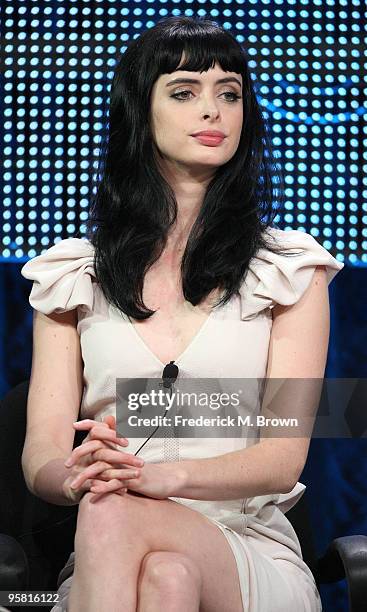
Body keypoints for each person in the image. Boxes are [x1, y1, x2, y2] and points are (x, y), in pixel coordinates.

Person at [20, 15, 344, 612]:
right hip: (110, 554)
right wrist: (73, 475)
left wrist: (155, 481)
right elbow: (40, 455)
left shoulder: (290, 270)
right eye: (185, 91)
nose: (213, 110)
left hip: (244, 547)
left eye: (229, 93)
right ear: (141, 111)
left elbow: (282, 457)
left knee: (113, 512)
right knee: (163, 578)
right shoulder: (71, 277)